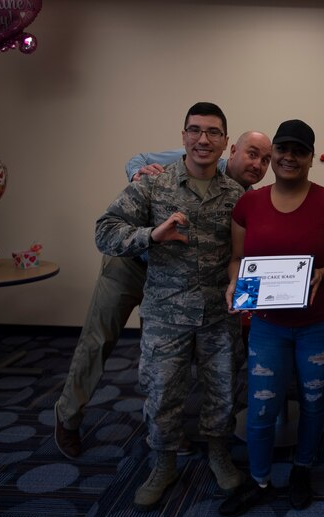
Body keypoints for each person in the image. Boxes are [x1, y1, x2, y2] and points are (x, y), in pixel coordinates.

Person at [53, 130, 270, 460]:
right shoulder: (199, 154)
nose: (257, 164)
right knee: (100, 338)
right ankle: (67, 417)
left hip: (178, 279)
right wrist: (140, 177)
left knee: (167, 354)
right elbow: (137, 160)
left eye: (265, 160)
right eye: (252, 154)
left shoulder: (244, 197)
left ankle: (164, 428)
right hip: (132, 264)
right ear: (233, 149)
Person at [95, 102, 245, 511]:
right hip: (165, 312)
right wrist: (151, 235)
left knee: (223, 392)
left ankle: (218, 453)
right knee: (162, 394)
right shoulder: (153, 184)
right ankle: (162, 463)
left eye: (213, 132)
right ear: (183, 136)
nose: (203, 139)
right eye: (195, 130)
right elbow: (105, 231)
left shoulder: (237, 195)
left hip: (219, 313)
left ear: (225, 142)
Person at [219, 119, 324, 516]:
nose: (289, 157)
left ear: (312, 158)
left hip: (320, 321)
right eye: (283, 149)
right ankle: (259, 479)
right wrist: (234, 283)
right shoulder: (249, 204)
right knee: (261, 405)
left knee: (315, 402)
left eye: (300, 151)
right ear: (272, 154)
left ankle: (302, 469)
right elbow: (237, 261)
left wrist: (322, 273)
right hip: (267, 324)